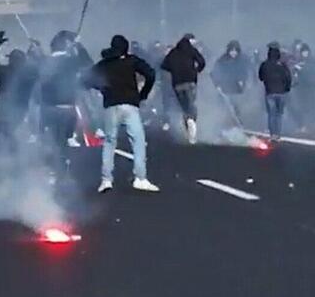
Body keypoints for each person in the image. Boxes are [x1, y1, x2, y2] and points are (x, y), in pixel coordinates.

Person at [82, 34, 159, 193]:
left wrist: (103, 88)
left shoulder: (104, 64)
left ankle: (106, 180)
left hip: (111, 105)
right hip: (130, 104)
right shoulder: (131, 61)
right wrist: (143, 94)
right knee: (137, 141)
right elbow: (151, 73)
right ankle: (140, 178)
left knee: (109, 142)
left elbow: (85, 80)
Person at [40, 30, 92, 172]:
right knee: (63, 140)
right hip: (67, 108)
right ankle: (61, 166)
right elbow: (87, 62)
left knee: (51, 140)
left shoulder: (44, 61)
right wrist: (78, 45)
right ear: (66, 46)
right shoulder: (70, 61)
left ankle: (52, 168)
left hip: (48, 108)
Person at [0, 31, 40, 152]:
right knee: (6, 134)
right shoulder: (30, 74)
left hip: (4, 112)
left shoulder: (4, 72)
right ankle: (14, 158)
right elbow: (43, 66)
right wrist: (35, 51)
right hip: (21, 112)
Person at [161, 33, 206, 144]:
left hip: (177, 84)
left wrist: (174, 70)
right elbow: (202, 62)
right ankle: (192, 122)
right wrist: (196, 71)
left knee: (184, 106)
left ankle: (188, 126)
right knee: (191, 104)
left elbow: (164, 65)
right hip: (190, 82)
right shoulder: (191, 50)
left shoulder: (173, 52)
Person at [211, 40, 250, 132]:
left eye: (235, 51)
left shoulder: (241, 61)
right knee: (224, 109)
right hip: (224, 89)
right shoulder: (221, 60)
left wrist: (243, 81)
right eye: (232, 51)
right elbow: (214, 73)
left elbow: (244, 72)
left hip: (236, 90)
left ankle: (238, 125)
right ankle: (223, 126)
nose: (233, 53)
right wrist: (217, 85)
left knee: (236, 109)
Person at [258, 44, 292, 141]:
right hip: (281, 93)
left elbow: (260, 77)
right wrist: (287, 88)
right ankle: (278, 134)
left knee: (271, 114)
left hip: (270, 92)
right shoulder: (283, 65)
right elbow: (288, 78)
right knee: (279, 114)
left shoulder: (264, 64)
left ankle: (272, 134)